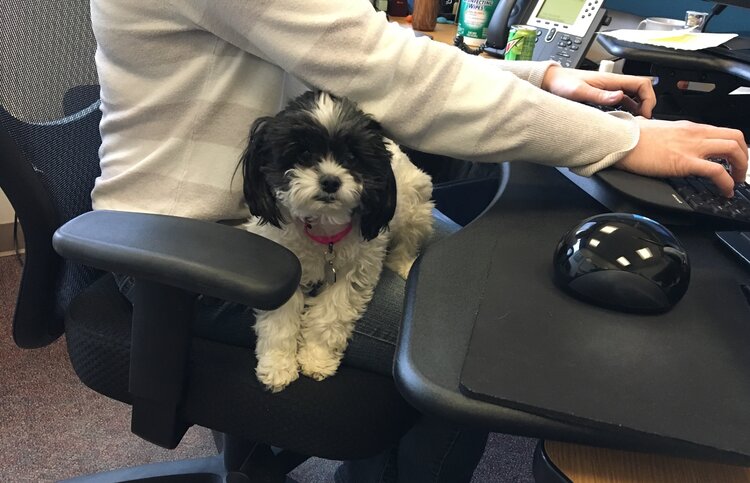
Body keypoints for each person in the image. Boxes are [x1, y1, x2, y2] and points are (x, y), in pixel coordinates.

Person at [89, 1, 748, 482]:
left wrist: (543, 80)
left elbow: (363, 52)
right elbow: (387, 74)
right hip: (206, 247)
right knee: (475, 352)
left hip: (298, 219)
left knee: (477, 296)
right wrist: (626, 141)